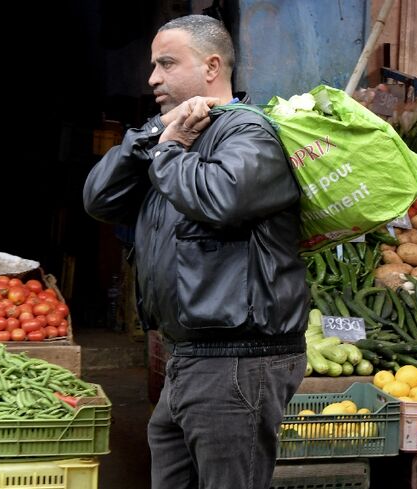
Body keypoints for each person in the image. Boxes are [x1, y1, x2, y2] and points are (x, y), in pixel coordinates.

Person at [83, 14, 308, 489]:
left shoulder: (249, 134)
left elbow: (220, 198)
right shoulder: (168, 135)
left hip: (238, 361)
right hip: (189, 357)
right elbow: (99, 199)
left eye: (166, 63)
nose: (152, 78)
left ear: (211, 67)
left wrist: (169, 153)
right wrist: (151, 139)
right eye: (153, 65)